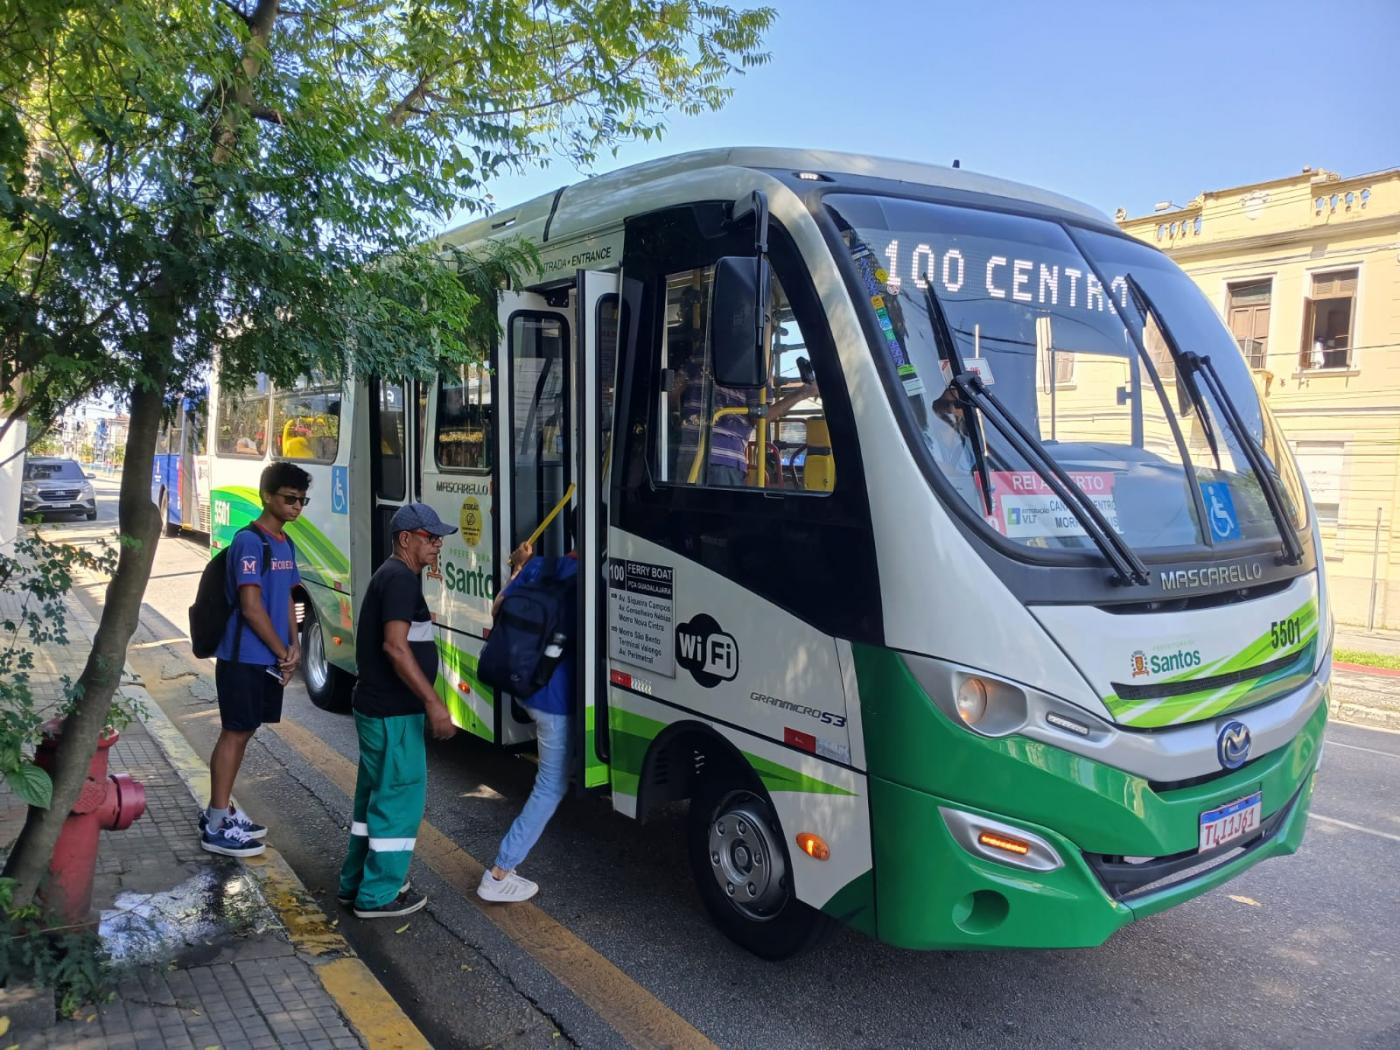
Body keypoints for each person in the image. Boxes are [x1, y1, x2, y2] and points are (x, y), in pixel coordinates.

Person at [339, 502, 459, 919]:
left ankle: (357, 882)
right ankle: (379, 895)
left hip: (380, 710)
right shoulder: (401, 580)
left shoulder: (394, 576)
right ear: (406, 539)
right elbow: (395, 646)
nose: (438, 544)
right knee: (398, 801)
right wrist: (434, 703)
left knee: (373, 800)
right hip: (393, 714)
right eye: (431, 537)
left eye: (439, 537)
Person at [200, 462, 309, 858]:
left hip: (269, 658)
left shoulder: (285, 543)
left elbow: (286, 599)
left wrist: (294, 646)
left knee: (245, 731)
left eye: (302, 500)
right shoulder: (250, 541)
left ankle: (223, 810)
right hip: (242, 657)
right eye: (289, 498)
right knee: (234, 731)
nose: (297, 507)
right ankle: (215, 824)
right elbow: (250, 607)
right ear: (268, 497)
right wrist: (282, 652)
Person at [476, 530, 579, 904]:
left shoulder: (540, 566)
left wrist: (519, 565)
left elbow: (498, 608)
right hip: (555, 698)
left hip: (527, 687)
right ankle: (501, 872)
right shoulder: (590, 580)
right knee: (550, 786)